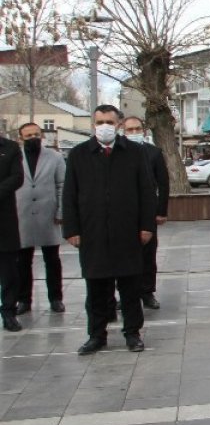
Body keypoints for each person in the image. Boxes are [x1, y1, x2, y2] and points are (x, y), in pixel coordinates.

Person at [62, 105, 156, 354]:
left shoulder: (134, 152)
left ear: (118, 124)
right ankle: (96, 334)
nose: (105, 126)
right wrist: (71, 229)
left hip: (127, 232)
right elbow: (69, 194)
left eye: (110, 122)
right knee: (96, 289)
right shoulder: (80, 154)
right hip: (92, 233)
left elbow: (146, 192)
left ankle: (132, 333)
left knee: (130, 288)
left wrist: (147, 226)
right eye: (100, 121)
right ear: (93, 124)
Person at [14, 123, 65, 316]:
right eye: (28, 135)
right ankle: (24, 299)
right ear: (21, 137)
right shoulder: (15, 156)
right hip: (21, 216)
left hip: (48, 215)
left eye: (36, 134)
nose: (32, 138)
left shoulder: (55, 157)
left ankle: (56, 298)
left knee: (52, 260)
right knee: (22, 261)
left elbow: (62, 185)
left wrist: (61, 212)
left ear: (42, 136)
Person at [121, 116, 169, 309]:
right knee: (124, 255)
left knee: (148, 255)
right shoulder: (119, 153)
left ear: (144, 130)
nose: (134, 133)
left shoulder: (154, 153)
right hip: (123, 213)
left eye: (137, 129)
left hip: (148, 212)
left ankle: (147, 292)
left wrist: (161, 211)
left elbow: (163, 184)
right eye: (129, 129)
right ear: (123, 132)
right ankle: (125, 293)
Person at [0, 130, 24, 332]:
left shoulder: (10, 148)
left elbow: (17, 177)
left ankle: (9, 311)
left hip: (4, 219)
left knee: (9, 270)